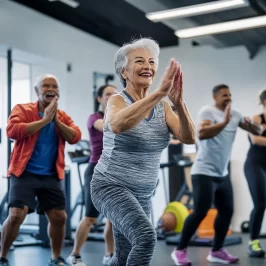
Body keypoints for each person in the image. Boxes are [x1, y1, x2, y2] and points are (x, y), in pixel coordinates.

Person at [90, 37, 196, 266]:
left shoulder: (163, 107)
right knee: (146, 238)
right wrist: (158, 94)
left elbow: (189, 137)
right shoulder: (117, 100)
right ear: (124, 72)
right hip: (110, 185)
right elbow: (117, 125)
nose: (147, 66)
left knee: (124, 256)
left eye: (151, 61)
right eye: (139, 61)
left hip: (142, 193)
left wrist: (179, 103)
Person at [171, 84, 263, 266]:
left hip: (222, 173)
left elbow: (258, 132)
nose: (228, 97)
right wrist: (224, 122)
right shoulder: (208, 112)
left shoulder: (235, 114)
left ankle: (217, 250)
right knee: (200, 211)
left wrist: (251, 124)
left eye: (230, 94)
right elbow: (202, 134)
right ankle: (180, 250)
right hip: (203, 172)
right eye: (224, 95)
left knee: (227, 212)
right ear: (215, 97)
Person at [0, 74, 82, 266]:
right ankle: (2, 257)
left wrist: (55, 121)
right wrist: (44, 121)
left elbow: (75, 136)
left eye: (55, 86)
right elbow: (13, 131)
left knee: (59, 217)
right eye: (46, 86)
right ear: (37, 91)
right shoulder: (22, 109)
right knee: (15, 216)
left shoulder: (62, 116)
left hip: (50, 175)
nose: (51, 89)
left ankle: (56, 257)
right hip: (24, 173)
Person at [67, 84, 117, 266]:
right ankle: (75, 254)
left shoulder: (120, 117)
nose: (112, 96)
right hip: (96, 170)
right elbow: (110, 126)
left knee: (112, 218)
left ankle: (109, 255)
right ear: (100, 98)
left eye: (115, 94)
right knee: (90, 216)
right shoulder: (94, 118)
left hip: (114, 172)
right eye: (108, 94)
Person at [244, 89, 266, 258]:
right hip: (255, 165)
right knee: (260, 203)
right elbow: (256, 139)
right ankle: (253, 242)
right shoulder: (256, 119)